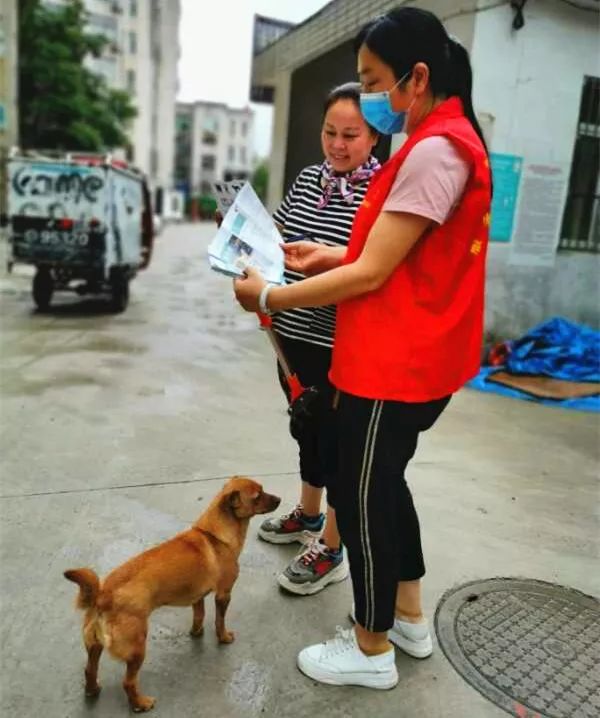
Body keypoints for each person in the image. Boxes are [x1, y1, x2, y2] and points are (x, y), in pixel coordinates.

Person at [234, 6, 492, 690]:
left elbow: (377, 273)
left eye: (374, 83)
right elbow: (394, 253)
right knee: (385, 483)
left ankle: (371, 648)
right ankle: (407, 616)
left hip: (396, 362)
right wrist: (326, 254)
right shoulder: (437, 136)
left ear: (417, 77)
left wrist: (269, 297)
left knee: (364, 493)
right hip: (405, 352)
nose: (371, 99)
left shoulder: (437, 147)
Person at [251, 83, 380, 595]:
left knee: (338, 443)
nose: (338, 144)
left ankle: (333, 544)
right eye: (330, 132)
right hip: (291, 339)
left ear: (375, 137)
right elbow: (277, 240)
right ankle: (306, 514)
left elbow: (369, 269)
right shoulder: (308, 180)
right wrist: (245, 237)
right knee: (305, 429)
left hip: (341, 346)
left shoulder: (382, 195)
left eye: (351, 134)